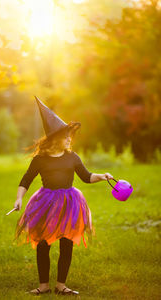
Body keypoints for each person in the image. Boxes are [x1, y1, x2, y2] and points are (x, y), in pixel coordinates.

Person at [13, 96, 114, 296]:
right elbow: (26, 179)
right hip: (46, 203)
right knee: (43, 244)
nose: (69, 139)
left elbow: (86, 177)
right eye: (66, 136)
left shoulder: (72, 157)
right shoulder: (40, 160)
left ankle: (61, 285)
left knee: (67, 243)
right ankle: (43, 286)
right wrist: (19, 198)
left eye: (70, 136)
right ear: (54, 139)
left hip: (69, 203)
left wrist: (102, 176)